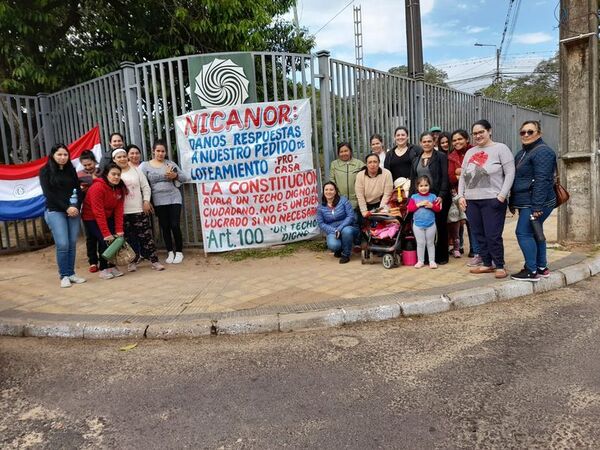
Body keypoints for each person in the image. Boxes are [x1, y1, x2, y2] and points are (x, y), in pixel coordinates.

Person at [458, 119, 515, 279]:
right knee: (478, 233)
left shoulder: (500, 149)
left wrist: (502, 195)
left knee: (493, 234)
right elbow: (463, 175)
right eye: (475, 133)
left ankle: (499, 264)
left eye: (481, 132)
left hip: (493, 199)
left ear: (489, 131)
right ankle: (487, 263)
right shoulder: (470, 152)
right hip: (471, 201)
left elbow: (510, 173)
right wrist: (461, 196)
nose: (478, 135)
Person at [509, 120, 557, 281]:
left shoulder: (543, 152)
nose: (526, 135)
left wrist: (537, 206)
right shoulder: (523, 152)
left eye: (530, 132)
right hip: (527, 201)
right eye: (523, 132)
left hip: (536, 202)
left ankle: (531, 270)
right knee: (536, 233)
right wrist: (513, 201)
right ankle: (541, 267)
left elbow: (542, 180)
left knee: (523, 232)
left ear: (539, 133)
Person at [39, 144, 86, 288]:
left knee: (72, 243)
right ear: (53, 155)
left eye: (65, 155)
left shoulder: (70, 169)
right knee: (63, 244)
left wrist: (75, 206)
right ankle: (64, 275)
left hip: (73, 210)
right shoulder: (45, 171)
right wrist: (67, 208)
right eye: (59, 154)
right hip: (55, 210)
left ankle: (71, 273)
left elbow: (77, 189)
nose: (62, 157)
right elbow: (49, 194)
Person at [112, 149, 164, 272]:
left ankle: (154, 261)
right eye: (119, 157)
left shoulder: (136, 170)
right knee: (129, 239)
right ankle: (132, 262)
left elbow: (145, 186)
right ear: (114, 159)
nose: (122, 159)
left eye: (124, 156)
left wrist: (146, 201)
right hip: (122, 212)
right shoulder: (114, 173)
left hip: (138, 209)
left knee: (146, 237)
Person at [141, 140, 188, 264]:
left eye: (163, 151)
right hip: (158, 200)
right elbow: (141, 182)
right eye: (158, 151)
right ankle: (170, 252)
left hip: (174, 197)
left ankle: (179, 251)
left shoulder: (170, 164)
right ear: (153, 151)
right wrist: (146, 200)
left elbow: (185, 178)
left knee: (175, 224)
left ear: (166, 152)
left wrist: (175, 176)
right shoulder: (145, 166)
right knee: (165, 226)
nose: (160, 154)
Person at [409, 132, 450, 265]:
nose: (427, 144)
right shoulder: (416, 159)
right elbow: (413, 179)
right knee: (421, 226)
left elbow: (445, 176)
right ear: (420, 143)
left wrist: (441, 195)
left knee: (440, 226)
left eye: (429, 141)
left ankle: (440, 257)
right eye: (424, 141)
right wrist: (411, 198)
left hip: (437, 196)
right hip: (420, 196)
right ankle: (424, 258)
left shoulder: (441, 157)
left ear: (434, 142)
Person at [82, 162, 127, 280]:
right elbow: (98, 212)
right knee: (105, 240)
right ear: (106, 174)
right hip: (91, 217)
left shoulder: (119, 188)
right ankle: (103, 269)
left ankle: (112, 266)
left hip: (108, 216)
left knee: (115, 240)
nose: (116, 177)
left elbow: (119, 210)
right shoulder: (97, 187)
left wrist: (119, 230)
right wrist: (106, 233)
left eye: (118, 174)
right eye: (113, 174)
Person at [448, 129, 480, 263]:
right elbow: (451, 177)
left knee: (473, 223)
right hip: (459, 193)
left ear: (467, 139)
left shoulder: (476, 151)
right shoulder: (451, 156)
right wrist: (460, 173)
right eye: (454, 140)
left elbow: (478, 173)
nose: (457, 142)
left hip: (476, 192)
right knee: (460, 221)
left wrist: (460, 171)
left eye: (460, 139)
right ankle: (459, 246)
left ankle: (476, 250)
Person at [316, 182, 359, 264]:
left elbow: (351, 216)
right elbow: (321, 223)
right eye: (326, 190)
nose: (329, 192)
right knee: (334, 245)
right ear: (324, 192)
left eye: (331, 190)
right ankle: (339, 249)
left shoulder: (343, 200)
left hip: (347, 226)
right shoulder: (321, 207)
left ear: (335, 191)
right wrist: (334, 230)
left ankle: (346, 254)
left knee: (347, 231)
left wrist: (339, 228)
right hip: (333, 230)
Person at [407, 175, 442, 269]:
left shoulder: (433, 196)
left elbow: (438, 209)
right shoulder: (414, 197)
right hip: (418, 225)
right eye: (421, 186)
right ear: (417, 187)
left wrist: (432, 206)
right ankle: (420, 261)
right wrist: (419, 204)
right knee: (420, 243)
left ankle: (432, 261)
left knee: (430, 243)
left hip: (431, 224)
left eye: (426, 185)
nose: (423, 188)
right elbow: (410, 209)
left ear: (429, 186)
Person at [77, 150, 101, 273]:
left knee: (103, 236)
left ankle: (104, 260)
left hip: (102, 210)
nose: (87, 167)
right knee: (90, 238)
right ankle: (92, 262)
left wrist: (95, 179)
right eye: (85, 165)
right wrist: (81, 189)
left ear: (94, 161)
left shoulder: (101, 172)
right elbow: (75, 192)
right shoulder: (78, 175)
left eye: (89, 164)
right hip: (87, 211)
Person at [355, 153, 394, 217]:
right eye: (370, 162)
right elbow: (360, 195)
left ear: (379, 163)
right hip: (365, 204)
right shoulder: (360, 175)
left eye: (375, 162)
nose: (372, 164)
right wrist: (364, 211)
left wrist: (381, 210)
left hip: (380, 203)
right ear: (366, 164)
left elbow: (387, 193)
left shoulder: (387, 173)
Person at [329, 142, 364, 210]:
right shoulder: (334, 164)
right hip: (340, 202)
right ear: (338, 153)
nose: (344, 153)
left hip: (357, 202)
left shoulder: (359, 164)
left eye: (346, 151)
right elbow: (332, 181)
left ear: (350, 151)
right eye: (341, 152)